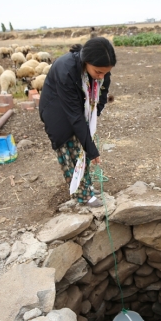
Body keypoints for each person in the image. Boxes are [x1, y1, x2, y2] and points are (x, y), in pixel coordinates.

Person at [38, 37, 116, 207]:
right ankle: (82, 196)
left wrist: (95, 113)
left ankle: (86, 186)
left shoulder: (100, 70)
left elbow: (101, 94)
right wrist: (93, 149)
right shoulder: (66, 68)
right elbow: (73, 115)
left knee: (83, 149)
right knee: (71, 151)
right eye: (98, 72)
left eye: (105, 72)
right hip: (57, 111)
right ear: (86, 61)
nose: (102, 76)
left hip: (79, 108)